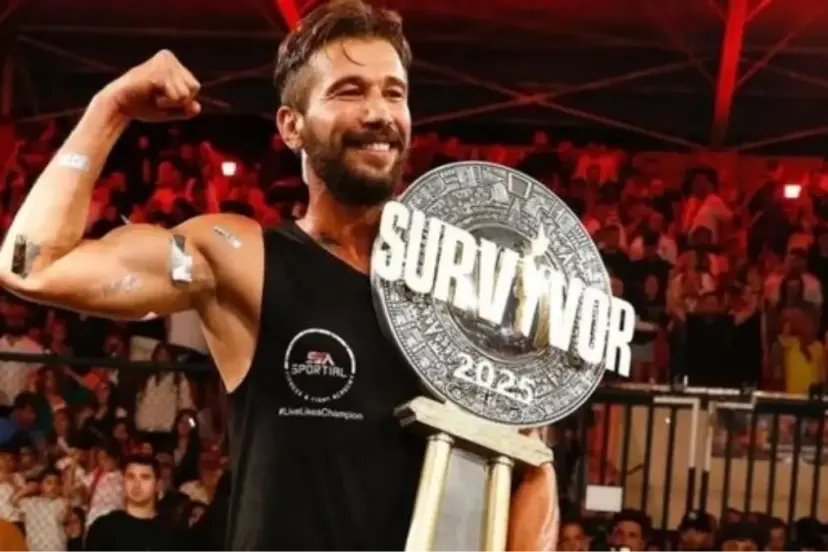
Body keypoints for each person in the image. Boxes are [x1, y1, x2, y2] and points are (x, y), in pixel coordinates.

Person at [0, 1, 558, 551]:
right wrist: (110, 108)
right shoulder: (241, 259)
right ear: (292, 127)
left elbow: (528, 466)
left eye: (394, 93)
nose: (378, 112)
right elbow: (34, 266)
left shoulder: (462, 291)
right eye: (349, 91)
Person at [84, 455, 181, 552]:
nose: (136, 484)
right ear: (123, 482)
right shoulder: (103, 528)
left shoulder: (172, 533)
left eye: (145, 477)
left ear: (158, 485)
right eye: (131, 477)